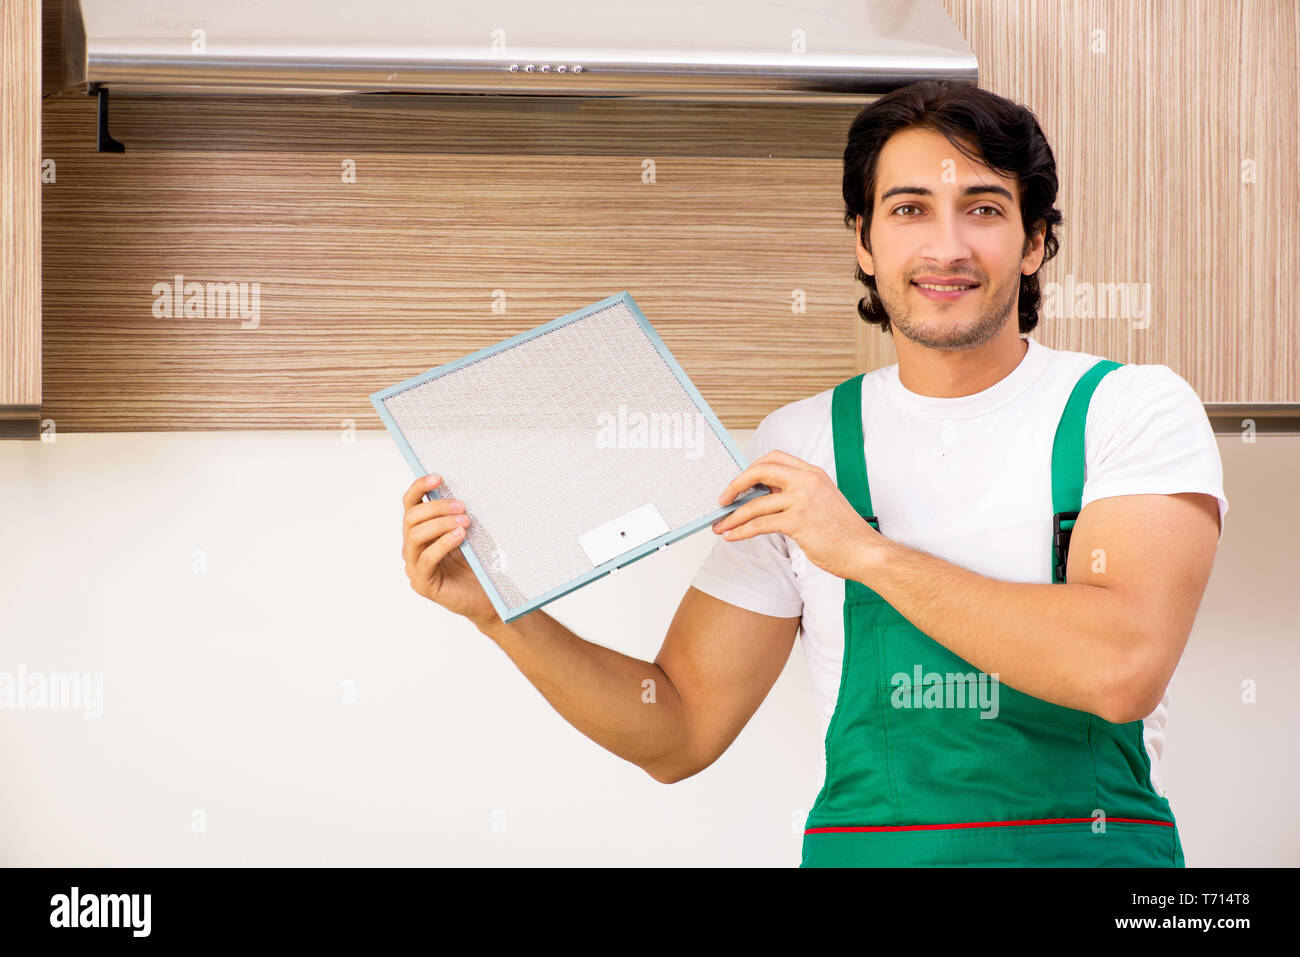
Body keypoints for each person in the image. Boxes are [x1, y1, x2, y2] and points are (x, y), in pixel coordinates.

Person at [398, 79, 1227, 867]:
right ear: (864, 243)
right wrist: (501, 612)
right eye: (908, 210)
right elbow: (681, 726)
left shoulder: (1130, 410)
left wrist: (860, 551)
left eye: (983, 208)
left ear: (1036, 240)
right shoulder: (803, 443)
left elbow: (1120, 667)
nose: (947, 245)